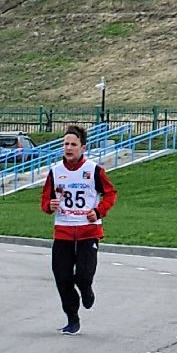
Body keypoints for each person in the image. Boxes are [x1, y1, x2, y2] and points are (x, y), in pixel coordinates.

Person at [42, 124, 117, 334]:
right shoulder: (55, 171)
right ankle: (72, 318)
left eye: (73, 144)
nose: (68, 148)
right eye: (65, 144)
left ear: (82, 148)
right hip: (63, 231)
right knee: (62, 277)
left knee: (83, 275)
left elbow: (111, 193)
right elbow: (45, 199)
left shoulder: (93, 170)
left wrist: (99, 211)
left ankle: (86, 289)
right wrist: (50, 206)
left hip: (88, 230)